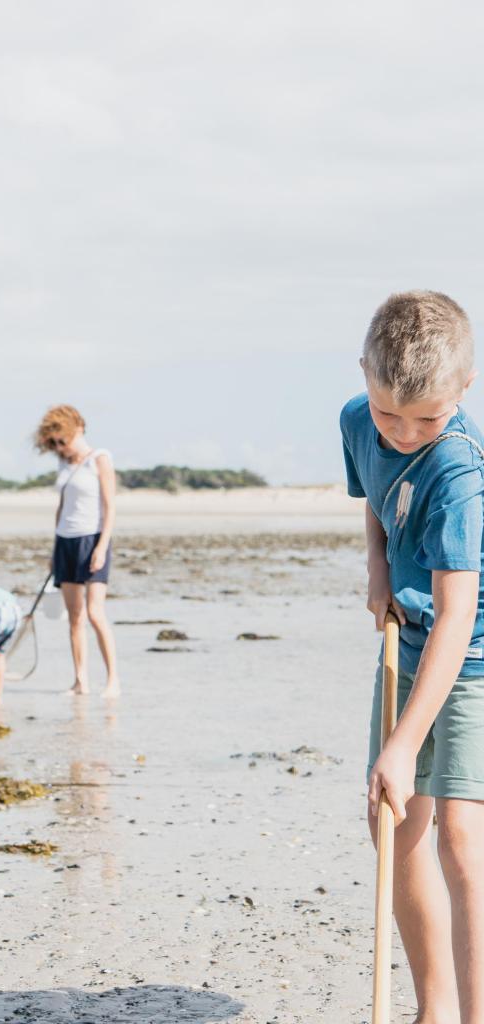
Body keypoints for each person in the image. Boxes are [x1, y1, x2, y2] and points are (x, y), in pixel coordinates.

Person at [340, 290, 484, 1022]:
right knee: (392, 827)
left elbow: (459, 620)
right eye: (388, 412)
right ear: (365, 372)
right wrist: (376, 570)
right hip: (409, 629)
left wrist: (402, 744)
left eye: (425, 417)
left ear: (465, 387)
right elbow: (374, 494)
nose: (402, 433)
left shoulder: (460, 473)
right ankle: (434, 1010)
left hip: (473, 655)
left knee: (461, 837)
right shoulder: (357, 420)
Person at [34, 404, 119, 698]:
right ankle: (80, 680)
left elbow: (110, 506)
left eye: (63, 440)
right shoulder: (64, 463)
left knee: (96, 613)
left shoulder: (100, 458)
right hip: (65, 541)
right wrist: (54, 549)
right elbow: (62, 507)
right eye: (54, 443)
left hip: (92, 538)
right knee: (74, 617)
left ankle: (112, 681)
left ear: (78, 429)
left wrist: (102, 546)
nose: (60, 447)